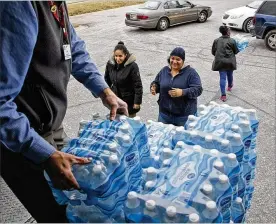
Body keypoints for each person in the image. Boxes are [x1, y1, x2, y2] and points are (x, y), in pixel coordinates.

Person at [0, 1, 128, 223]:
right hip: (21, 139)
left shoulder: (55, 3)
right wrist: (44, 153)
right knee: (62, 215)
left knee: (81, 199)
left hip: (49, 125)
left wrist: (104, 90)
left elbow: (72, 47)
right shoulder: (17, 6)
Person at [150, 47, 203, 126]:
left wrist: (182, 92)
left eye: (178, 59)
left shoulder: (191, 73)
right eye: (172, 58)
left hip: (184, 117)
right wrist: (154, 87)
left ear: (183, 61)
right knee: (163, 136)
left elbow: (198, 89)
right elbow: (157, 82)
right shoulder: (164, 70)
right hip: (164, 115)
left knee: (182, 138)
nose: (174, 61)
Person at [104, 41, 143, 118]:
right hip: (115, 101)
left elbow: (138, 85)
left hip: (129, 102)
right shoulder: (110, 64)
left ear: (125, 55)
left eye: (120, 56)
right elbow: (106, 80)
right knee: (117, 125)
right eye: (116, 56)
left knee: (129, 126)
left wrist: (137, 102)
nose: (117, 59)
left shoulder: (132, 66)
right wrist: (106, 95)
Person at [212, 25, 239, 102]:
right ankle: (230, 86)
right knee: (230, 74)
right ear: (227, 32)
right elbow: (236, 51)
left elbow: (213, 52)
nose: (230, 31)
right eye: (229, 30)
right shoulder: (232, 40)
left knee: (222, 78)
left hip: (220, 62)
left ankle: (223, 95)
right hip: (230, 61)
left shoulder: (216, 40)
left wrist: (219, 56)